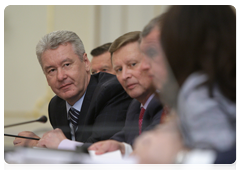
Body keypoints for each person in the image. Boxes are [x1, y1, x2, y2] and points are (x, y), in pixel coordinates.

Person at [133, 5, 238, 170]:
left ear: (179, 43)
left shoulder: (198, 87)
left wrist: (178, 159)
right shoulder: (222, 81)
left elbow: (215, 153)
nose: (145, 65)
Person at [13, 30, 133, 150]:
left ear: (86, 63)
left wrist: (40, 145)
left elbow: (99, 150)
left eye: (67, 65)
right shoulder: (56, 106)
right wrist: (41, 144)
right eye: (52, 70)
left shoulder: (111, 91)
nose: (60, 76)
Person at [88, 31, 164, 157]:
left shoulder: (166, 103)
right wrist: (121, 147)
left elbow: (148, 149)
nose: (124, 76)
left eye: (132, 64)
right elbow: (126, 138)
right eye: (119, 69)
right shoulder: (135, 105)